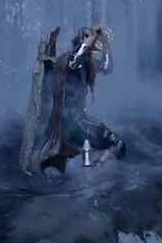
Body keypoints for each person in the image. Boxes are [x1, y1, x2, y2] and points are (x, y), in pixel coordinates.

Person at [38, 26, 125, 173]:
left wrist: (104, 42)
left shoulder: (87, 64)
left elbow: (107, 67)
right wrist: (95, 36)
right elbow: (76, 59)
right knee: (118, 144)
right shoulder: (69, 65)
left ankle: (78, 159)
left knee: (99, 133)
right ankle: (95, 167)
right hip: (74, 125)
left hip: (68, 126)